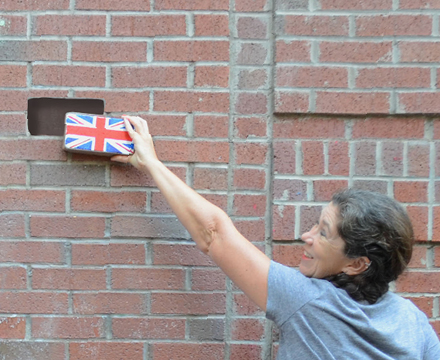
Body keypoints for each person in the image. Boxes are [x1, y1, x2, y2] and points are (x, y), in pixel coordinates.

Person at [111, 115, 440, 360]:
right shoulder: (413, 322)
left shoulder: (307, 301)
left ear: (357, 263)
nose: (306, 236)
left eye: (323, 233)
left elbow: (214, 234)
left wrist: (151, 163)